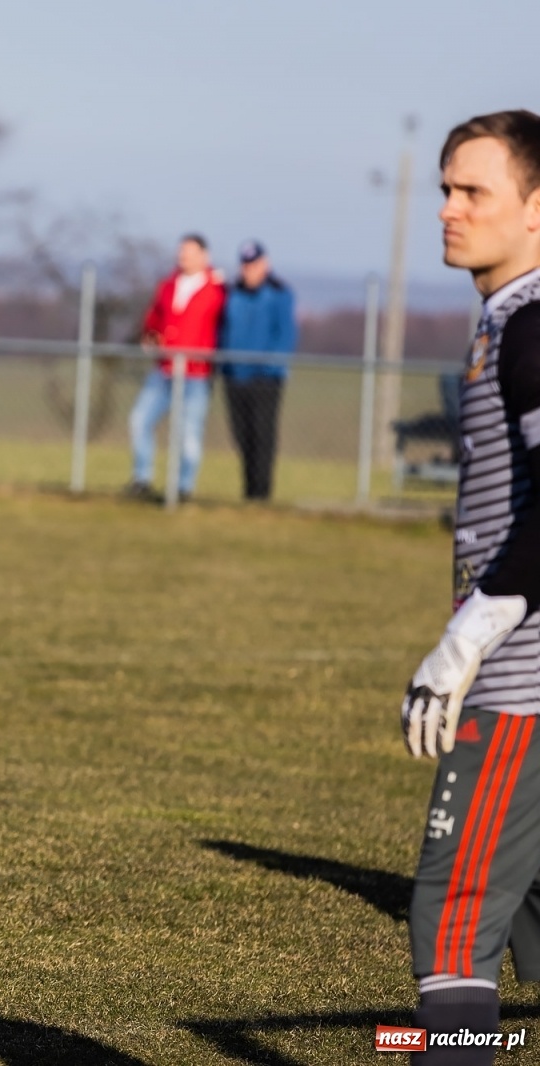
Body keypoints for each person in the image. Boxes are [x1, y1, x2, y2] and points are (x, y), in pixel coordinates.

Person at [398, 110, 540, 1066]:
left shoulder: (531, 322)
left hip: (521, 680)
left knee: (452, 921)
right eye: (445, 189)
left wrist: (468, 637)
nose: (448, 209)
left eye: (473, 191)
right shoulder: (505, 320)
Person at [123, 234, 225, 502]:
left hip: (195, 374)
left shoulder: (218, 289)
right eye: (181, 252)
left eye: (190, 252)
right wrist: (151, 333)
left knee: (189, 435)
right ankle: (142, 480)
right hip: (164, 370)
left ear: (204, 256)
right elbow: (154, 316)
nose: (184, 257)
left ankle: (182, 489)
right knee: (139, 421)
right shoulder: (168, 286)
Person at [219, 240, 297, 501]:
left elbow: (284, 335)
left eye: (253, 265)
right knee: (242, 436)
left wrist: (268, 366)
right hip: (234, 376)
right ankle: (248, 491)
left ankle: (261, 495)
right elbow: (224, 329)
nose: (249, 270)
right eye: (245, 265)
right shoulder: (232, 292)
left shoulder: (278, 293)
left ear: (265, 264)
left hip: (265, 378)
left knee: (262, 436)